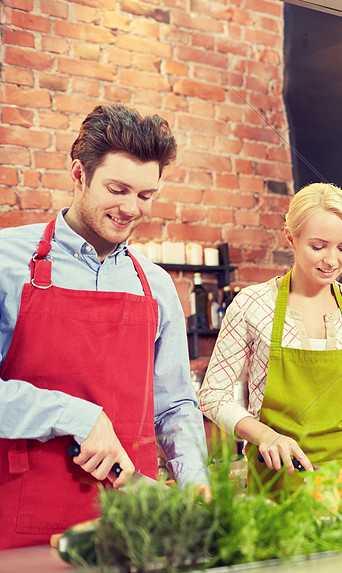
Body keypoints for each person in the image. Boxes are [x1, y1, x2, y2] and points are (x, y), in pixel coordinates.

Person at [0, 104, 209, 550]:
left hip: (135, 525)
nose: (131, 209)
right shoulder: (7, 262)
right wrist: (75, 415)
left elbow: (174, 406)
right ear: (79, 174)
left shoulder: (155, 285)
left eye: (146, 195)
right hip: (24, 521)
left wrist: (197, 482)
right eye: (118, 189)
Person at [198, 183, 342, 494]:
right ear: (291, 237)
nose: (332, 260)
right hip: (278, 483)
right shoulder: (253, 305)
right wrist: (265, 436)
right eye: (318, 247)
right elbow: (213, 395)